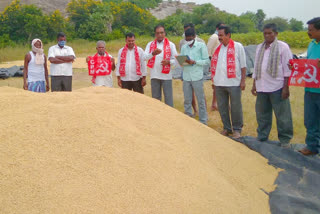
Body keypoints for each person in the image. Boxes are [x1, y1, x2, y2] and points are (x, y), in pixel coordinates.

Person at [251, 23, 293, 148]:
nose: (267, 35)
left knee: (282, 115)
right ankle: (262, 136)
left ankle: (285, 140)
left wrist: (286, 88)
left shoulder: (283, 47)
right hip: (262, 86)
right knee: (262, 114)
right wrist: (254, 85)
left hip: (277, 86)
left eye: (270, 33)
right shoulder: (260, 47)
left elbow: (287, 69)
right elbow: (257, 67)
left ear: (276, 34)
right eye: (265, 33)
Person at [211, 25, 247, 139]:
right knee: (222, 107)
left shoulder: (238, 46)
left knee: (236, 107)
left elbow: (243, 65)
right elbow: (215, 65)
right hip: (219, 83)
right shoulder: (218, 48)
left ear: (228, 35)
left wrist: (243, 81)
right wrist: (214, 81)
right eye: (218, 35)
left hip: (234, 83)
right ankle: (227, 128)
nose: (219, 38)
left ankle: (237, 129)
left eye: (221, 35)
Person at [299, 17, 320, 155]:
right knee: (310, 119)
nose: (308, 32)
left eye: (311, 30)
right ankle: (312, 146)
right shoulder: (312, 44)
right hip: (310, 89)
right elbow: (308, 64)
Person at [180, 28, 209, 124]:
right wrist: (183, 61)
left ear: (194, 36)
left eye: (189, 39)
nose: (188, 41)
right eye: (186, 39)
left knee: (200, 99)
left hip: (197, 76)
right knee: (187, 99)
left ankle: (203, 120)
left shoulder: (201, 46)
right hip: (186, 75)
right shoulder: (184, 47)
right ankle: (188, 117)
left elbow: (206, 61)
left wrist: (195, 62)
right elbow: (182, 60)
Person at [144, 24, 178, 107]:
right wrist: (152, 53)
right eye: (158, 33)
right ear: (155, 34)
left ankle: (170, 116)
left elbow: (176, 59)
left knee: (168, 99)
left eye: (161, 33)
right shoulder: (150, 44)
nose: (160, 35)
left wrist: (169, 62)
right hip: (155, 75)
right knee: (155, 100)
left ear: (165, 33)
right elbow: (144, 57)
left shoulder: (171, 45)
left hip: (166, 76)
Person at [207, 23, 225, 111]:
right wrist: (211, 64)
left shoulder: (225, 37)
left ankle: (222, 103)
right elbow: (208, 50)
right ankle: (214, 104)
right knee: (216, 84)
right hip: (215, 63)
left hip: (222, 64)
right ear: (217, 28)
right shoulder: (214, 37)